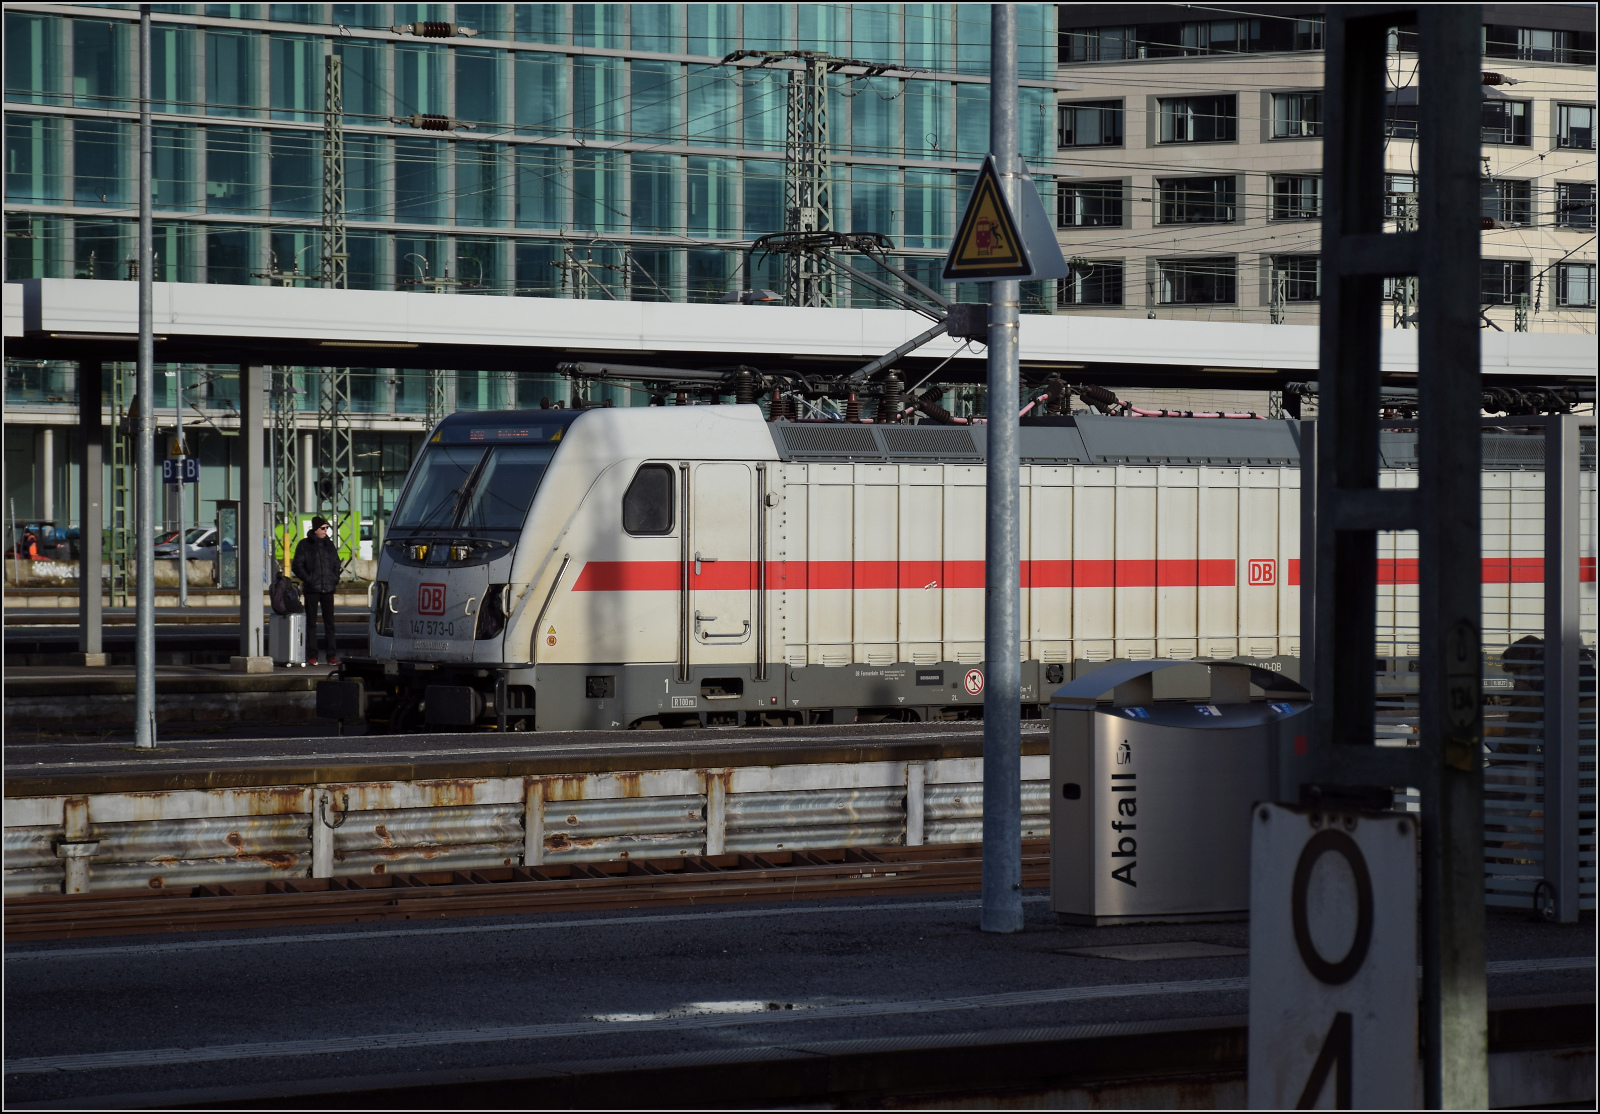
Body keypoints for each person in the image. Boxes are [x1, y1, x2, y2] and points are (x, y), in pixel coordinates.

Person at [292, 516, 342, 665]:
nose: (325, 531)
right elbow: (297, 565)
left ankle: (331, 656)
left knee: (330, 624)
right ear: (315, 529)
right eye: (323, 528)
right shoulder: (304, 545)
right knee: (311, 624)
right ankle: (312, 656)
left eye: (327, 528)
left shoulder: (329, 545)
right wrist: (309, 579)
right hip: (312, 590)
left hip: (328, 589)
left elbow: (336, 563)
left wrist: (334, 579)